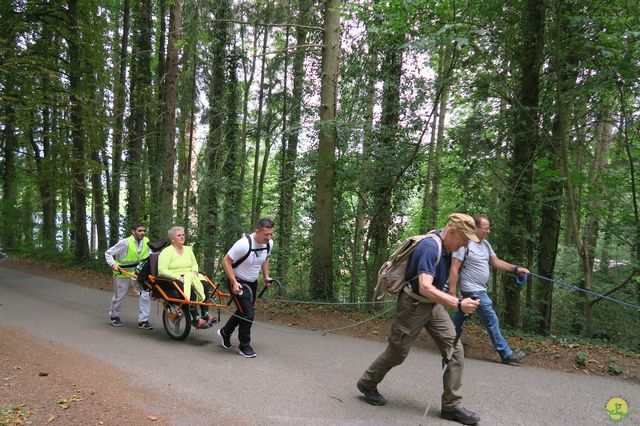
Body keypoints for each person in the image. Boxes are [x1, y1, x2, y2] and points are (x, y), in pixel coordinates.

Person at [356, 213, 481, 425]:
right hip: (413, 305)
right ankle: (367, 383)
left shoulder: (449, 247)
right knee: (398, 352)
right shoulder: (431, 247)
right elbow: (425, 286)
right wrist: (457, 304)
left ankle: (451, 407)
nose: (465, 245)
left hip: (432, 305)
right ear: (452, 231)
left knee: (454, 349)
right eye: (464, 239)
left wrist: (455, 299)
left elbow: (438, 285)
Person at [448, 214, 529, 365]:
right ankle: (505, 353)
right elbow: (454, 268)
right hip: (472, 290)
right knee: (491, 318)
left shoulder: (485, 245)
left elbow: (496, 262)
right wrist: (452, 293)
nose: (488, 231)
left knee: (461, 316)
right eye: (486, 228)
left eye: (489, 228)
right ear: (476, 228)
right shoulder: (465, 243)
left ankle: (447, 342)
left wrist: (516, 269)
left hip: (480, 289)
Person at [217, 217, 274, 358]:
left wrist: (266, 276)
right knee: (248, 314)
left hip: (252, 283)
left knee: (243, 311)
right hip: (237, 282)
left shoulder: (269, 244)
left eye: (271, 234)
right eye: (266, 234)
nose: (269, 237)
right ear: (257, 231)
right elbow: (226, 261)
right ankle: (244, 346)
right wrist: (234, 282)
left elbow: (265, 259)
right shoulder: (243, 244)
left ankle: (225, 332)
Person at [157, 226, 215, 328]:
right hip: (174, 277)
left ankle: (205, 313)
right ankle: (196, 319)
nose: (182, 237)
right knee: (190, 290)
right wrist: (178, 277)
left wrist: (195, 271)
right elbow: (162, 270)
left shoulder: (188, 249)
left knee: (204, 284)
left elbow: (194, 264)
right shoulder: (167, 251)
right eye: (179, 235)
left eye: (183, 235)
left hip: (190, 275)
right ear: (172, 239)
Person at [105, 222, 153, 329]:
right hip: (122, 273)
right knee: (120, 296)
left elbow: (150, 254)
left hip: (137, 273)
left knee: (144, 293)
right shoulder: (125, 242)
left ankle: (143, 320)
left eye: (144, 231)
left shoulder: (146, 241)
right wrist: (113, 264)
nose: (142, 233)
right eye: (139, 231)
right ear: (133, 232)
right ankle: (114, 316)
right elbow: (108, 253)